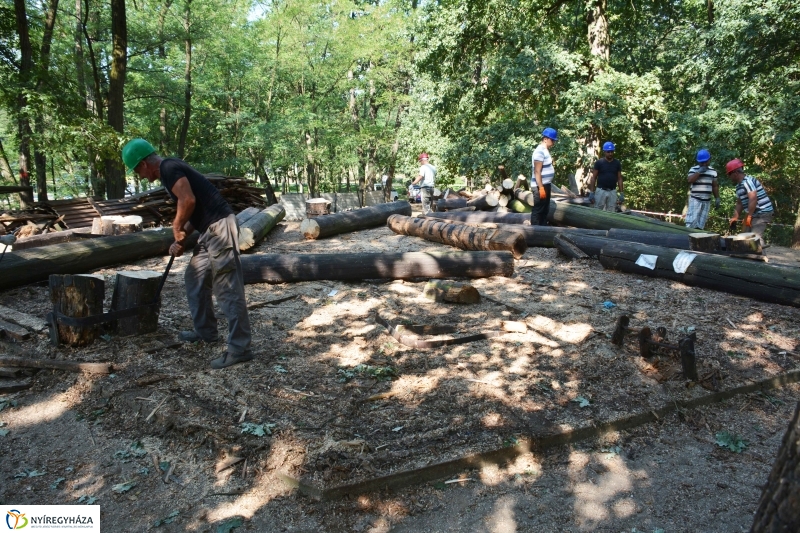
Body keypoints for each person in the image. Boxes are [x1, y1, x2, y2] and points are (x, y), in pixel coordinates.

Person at [121, 139, 253, 369]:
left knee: (227, 288)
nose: (140, 176)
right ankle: (206, 332)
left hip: (219, 228)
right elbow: (194, 210)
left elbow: (188, 200)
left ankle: (239, 349)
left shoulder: (168, 168)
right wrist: (181, 236)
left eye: (137, 170)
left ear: (144, 164)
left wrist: (176, 227)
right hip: (208, 229)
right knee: (195, 277)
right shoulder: (169, 171)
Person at [725, 159, 774, 245]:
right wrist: (735, 217)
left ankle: (761, 256)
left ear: (735, 172)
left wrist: (749, 216)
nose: (728, 176)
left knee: (754, 237)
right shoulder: (739, 186)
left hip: (762, 212)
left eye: (729, 174)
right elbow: (739, 203)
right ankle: (747, 256)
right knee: (744, 236)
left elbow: (753, 198)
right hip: (753, 213)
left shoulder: (748, 182)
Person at [684, 149, 720, 229]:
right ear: (698, 162)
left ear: (709, 160)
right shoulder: (693, 169)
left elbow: (715, 186)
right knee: (691, 222)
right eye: (701, 162)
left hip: (706, 201)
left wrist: (717, 197)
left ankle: (697, 239)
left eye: (705, 162)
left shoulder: (713, 171)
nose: (704, 164)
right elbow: (690, 180)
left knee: (701, 224)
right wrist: (699, 172)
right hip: (695, 199)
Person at [531, 128, 557, 225]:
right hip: (539, 186)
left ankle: (543, 229)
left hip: (546, 184)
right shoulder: (539, 151)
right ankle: (535, 231)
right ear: (545, 139)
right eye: (552, 140)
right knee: (538, 209)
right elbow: (537, 171)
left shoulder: (545, 151)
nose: (553, 142)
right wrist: (541, 187)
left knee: (545, 209)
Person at [588, 141, 624, 212]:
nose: (610, 153)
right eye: (608, 152)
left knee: (611, 212)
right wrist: (592, 192)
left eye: (612, 152)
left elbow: (619, 178)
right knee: (597, 211)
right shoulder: (599, 163)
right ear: (604, 152)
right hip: (601, 191)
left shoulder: (617, 163)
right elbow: (593, 178)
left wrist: (621, 193)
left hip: (612, 191)